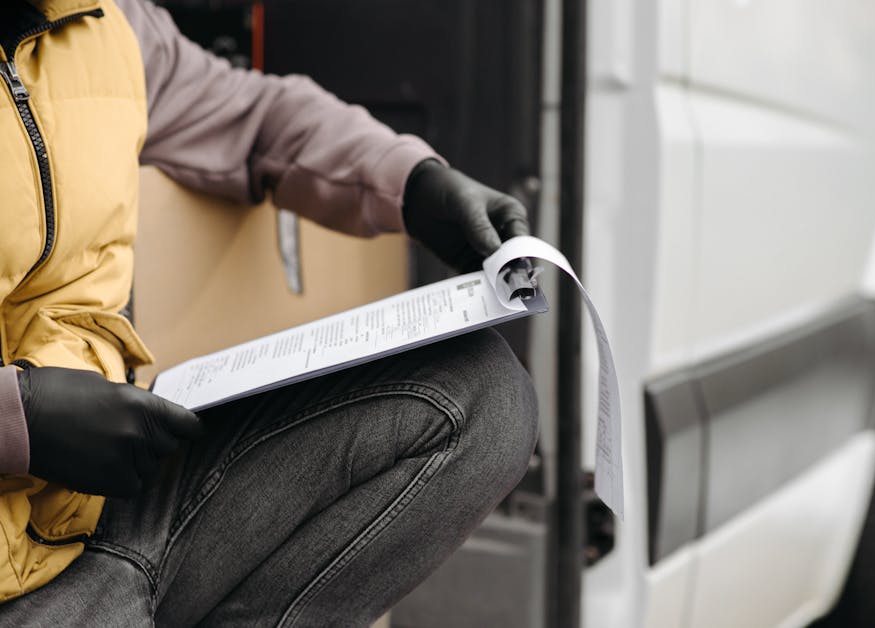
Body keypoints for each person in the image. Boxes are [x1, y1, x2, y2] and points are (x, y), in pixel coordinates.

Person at [0, 0, 539, 625]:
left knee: (478, 400)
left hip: (101, 520)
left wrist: (414, 185)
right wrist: (22, 420)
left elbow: (251, 115)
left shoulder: (101, 22)